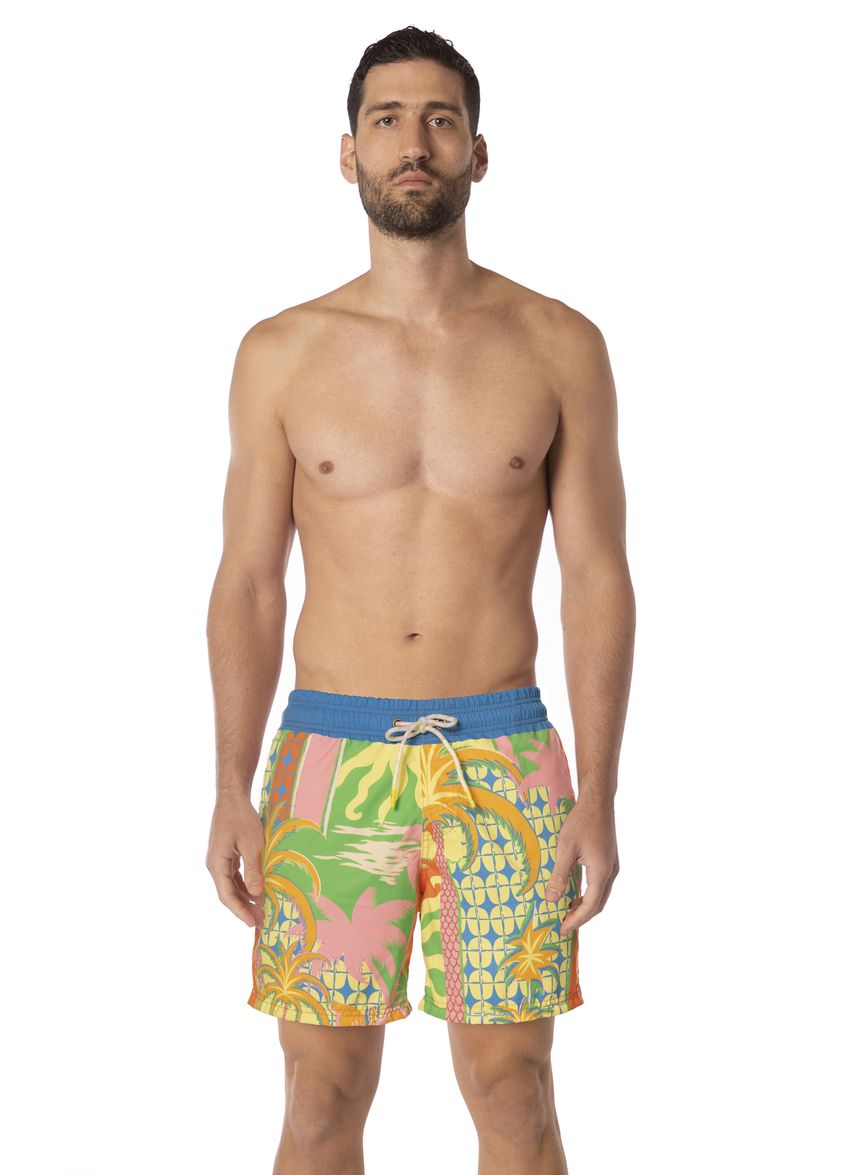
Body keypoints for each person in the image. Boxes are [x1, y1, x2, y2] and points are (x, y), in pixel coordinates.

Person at [206, 24, 635, 1175]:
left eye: (441, 120)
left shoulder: (559, 345)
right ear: (347, 152)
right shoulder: (282, 351)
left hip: (504, 757)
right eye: (387, 120)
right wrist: (232, 784)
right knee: (318, 1096)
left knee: (515, 1089)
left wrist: (599, 790)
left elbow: (597, 574)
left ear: (478, 153)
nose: (414, 143)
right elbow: (248, 580)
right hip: (327, 757)